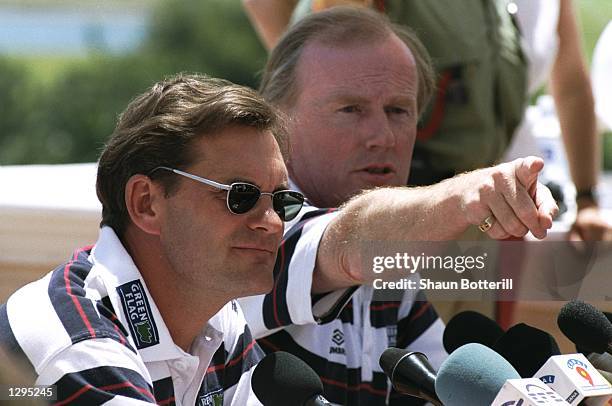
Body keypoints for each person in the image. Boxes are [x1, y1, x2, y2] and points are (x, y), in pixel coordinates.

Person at [238, 7, 558, 405]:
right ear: (278, 118)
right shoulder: (247, 224)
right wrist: (466, 197)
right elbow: (349, 242)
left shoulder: (395, 262)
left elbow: (443, 383)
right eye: (350, 109)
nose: (382, 136)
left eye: (398, 110)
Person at [0, 73, 305, 405]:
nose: (272, 223)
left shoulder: (218, 321)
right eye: (239, 196)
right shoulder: (80, 346)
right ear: (145, 203)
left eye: (280, 200)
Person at [242, 0, 612, 242]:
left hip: (485, 215)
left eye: (398, 111)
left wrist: (587, 198)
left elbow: (573, 86)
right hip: (370, 214)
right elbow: (317, 64)